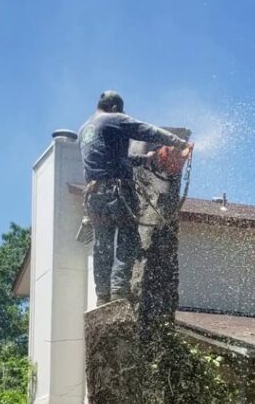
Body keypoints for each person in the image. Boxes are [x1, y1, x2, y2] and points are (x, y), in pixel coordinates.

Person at [78, 91, 190, 306]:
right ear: (114, 107)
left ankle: (102, 296)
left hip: (94, 195)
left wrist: (144, 159)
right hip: (116, 191)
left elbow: (113, 159)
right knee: (127, 238)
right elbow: (145, 130)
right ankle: (119, 291)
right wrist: (179, 142)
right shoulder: (114, 118)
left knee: (102, 245)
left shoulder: (85, 130)